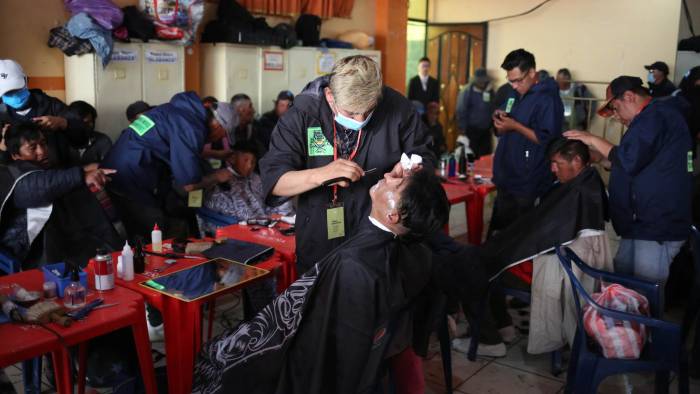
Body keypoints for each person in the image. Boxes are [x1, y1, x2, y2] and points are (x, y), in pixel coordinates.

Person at [193, 168, 452, 394]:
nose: (387, 175)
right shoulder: (414, 252)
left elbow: (326, 344)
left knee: (218, 356)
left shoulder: (355, 266)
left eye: (396, 184)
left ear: (394, 214)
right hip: (364, 365)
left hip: (313, 360)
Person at [259, 55, 435, 274]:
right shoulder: (304, 114)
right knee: (322, 299)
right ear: (330, 96)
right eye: (351, 113)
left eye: (368, 111)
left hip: (378, 236)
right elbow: (273, 180)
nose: (360, 119)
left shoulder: (398, 108)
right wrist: (320, 174)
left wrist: (413, 171)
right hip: (320, 232)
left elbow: (425, 156)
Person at [565, 76, 692, 284]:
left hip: (657, 226)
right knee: (623, 283)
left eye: (615, 108)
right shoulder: (646, 121)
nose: (615, 116)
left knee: (644, 291)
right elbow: (631, 163)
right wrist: (598, 157)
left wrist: (593, 139)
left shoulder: (656, 116)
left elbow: (628, 159)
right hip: (639, 225)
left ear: (630, 97)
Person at [101, 92, 237, 240]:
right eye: (223, 134)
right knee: (157, 234)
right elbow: (189, 184)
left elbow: (178, 147)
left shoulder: (180, 111)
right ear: (217, 125)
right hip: (130, 178)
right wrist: (218, 176)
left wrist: (216, 154)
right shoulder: (191, 128)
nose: (221, 138)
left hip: (116, 167)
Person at [0, 122, 119, 269]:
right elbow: (37, 187)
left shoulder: (48, 169)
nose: (42, 151)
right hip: (32, 253)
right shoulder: (11, 173)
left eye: (43, 144)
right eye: (32, 148)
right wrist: (81, 176)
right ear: (15, 155)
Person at [490, 48, 564, 235]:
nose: (514, 85)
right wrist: (499, 120)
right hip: (507, 176)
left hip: (528, 180)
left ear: (532, 72)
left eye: (518, 80)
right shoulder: (513, 94)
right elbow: (504, 123)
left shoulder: (547, 99)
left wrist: (514, 125)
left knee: (521, 236)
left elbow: (547, 139)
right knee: (502, 234)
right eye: (510, 80)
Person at [0, 59, 91, 168]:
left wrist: (63, 123)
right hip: (26, 180)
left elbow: (83, 139)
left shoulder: (53, 106)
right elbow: (3, 164)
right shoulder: (2, 117)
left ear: (26, 80)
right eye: (8, 93)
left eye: (16, 89)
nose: (14, 95)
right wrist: (3, 145)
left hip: (61, 174)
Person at [199, 141, 295, 236]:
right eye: (245, 160)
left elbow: (269, 200)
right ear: (233, 158)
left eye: (253, 162)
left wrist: (277, 216)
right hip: (240, 229)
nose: (249, 166)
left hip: (266, 224)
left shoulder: (255, 178)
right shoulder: (220, 180)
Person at [456, 68, 495, 157]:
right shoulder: (466, 91)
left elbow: (493, 107)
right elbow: (461, 110)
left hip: (486, 131)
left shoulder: (490, 91)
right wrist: (462, 128)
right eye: (480, 81)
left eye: (484, 81)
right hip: (471, 131)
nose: (482, 83)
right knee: (472, 156)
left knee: (485, 155)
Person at [61, 100, 112, 165]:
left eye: (92, 121)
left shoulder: (103, 141)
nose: (91, 125)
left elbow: (110, 168)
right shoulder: (61, 142)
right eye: (85, 123)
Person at [255, 90, 294, 157]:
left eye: (289, 105)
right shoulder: (266, 121)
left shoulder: (298, 121)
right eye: (282, 105)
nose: (286, 109)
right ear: (276, 105)